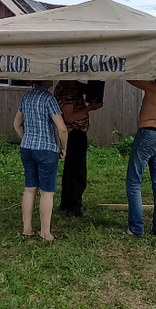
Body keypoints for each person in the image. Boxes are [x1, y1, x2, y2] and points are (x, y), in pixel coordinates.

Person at [123, 56, 156, 237]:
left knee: (133, 182)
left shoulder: (154, 87)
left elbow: (129, 78)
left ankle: (136, 228)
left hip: (147, 134)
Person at [13, 80, 68, 242]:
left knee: (29, 189)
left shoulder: (26, 97)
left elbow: (16, 124)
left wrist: (26, 139)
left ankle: (27, 229)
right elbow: (62, 128)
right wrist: (64, 147)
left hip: (27, 148)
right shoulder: (49, 99)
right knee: (46, 192)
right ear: (45, 80)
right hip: (46, 150)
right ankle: (45, 233)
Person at [54, 80, 103, 217]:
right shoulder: (65, 90)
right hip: (74, 133)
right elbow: (69, 117)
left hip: (77, 133)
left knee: (71, 170)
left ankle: (66, 203)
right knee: (77, 171)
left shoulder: (73, 85)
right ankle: (74, 207)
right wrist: (89, 108)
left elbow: (85, 88)